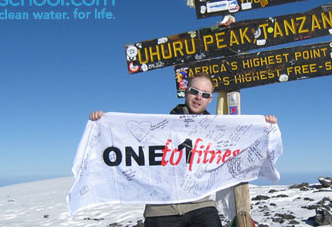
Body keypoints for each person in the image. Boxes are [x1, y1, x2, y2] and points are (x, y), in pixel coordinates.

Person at [89, 72, 277, 227]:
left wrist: (264, 126)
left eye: (205, 94)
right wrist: (104, 123)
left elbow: (241, 147)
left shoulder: (217, 132)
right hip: (161, 208)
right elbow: (129, 141)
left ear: (210, 99)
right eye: (194, 91)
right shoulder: (161, 128)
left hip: (200, 206)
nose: (198, 97)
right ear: (186, 92)